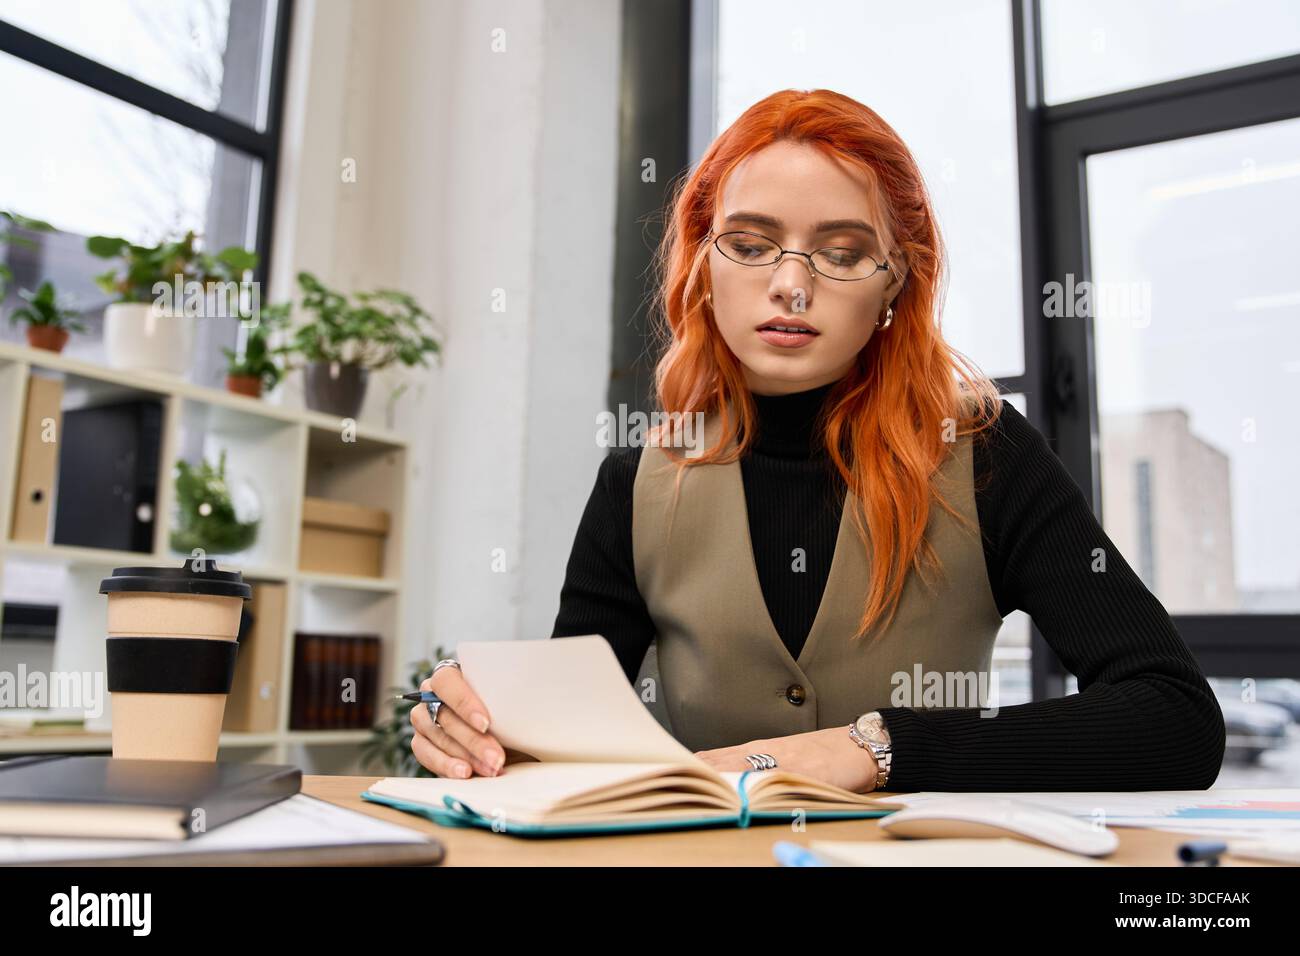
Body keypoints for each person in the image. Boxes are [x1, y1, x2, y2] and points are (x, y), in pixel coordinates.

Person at [409, 88, 1225, 793]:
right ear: (704, 262)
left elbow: (1175, 717)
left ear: (893, 287)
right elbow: (564, 739)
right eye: (752, 244)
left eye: (842, 253)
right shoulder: (639, 480)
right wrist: (485, 728)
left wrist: (876, 750)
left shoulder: (983, 453)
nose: (791, 284)